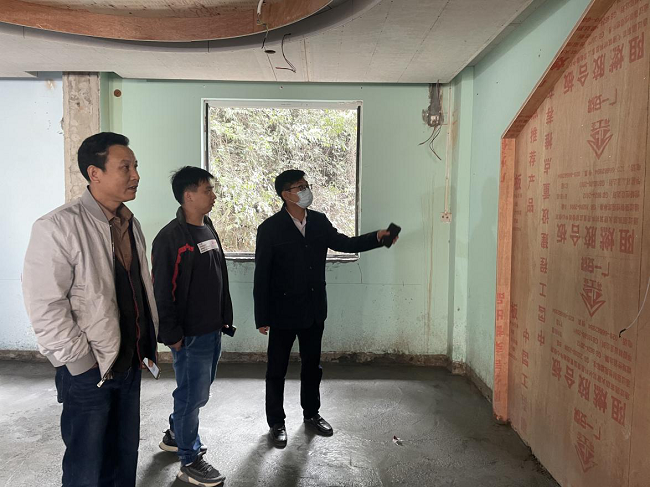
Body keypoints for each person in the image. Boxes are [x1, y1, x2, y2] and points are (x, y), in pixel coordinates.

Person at [22, 132, 159, 487]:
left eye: (136, 166)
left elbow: (135, 291)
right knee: (87, 466)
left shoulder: (130, 224)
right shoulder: (58, 226)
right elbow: (45, 305)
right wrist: (80, 363)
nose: (136, 175)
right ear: (94, 173)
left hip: (128, 364)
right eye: (125, 167)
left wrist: (145, 345)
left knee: (123, 458)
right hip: (89, 371)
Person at [253, 169, 397, 447]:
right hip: (282, 312)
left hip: (313, 309)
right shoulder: (270, 228)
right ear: (285, 194)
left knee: (312, 367)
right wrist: (262, 316)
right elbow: (262, 276)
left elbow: (345, 243)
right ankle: (276, 422)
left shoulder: (318, 221)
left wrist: (377, 237)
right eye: (299, 187)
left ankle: (311, 414)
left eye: (306, 185)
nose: (306, 190)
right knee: (276, 370)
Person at [152, 166, 233, 487]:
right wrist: (172, 335)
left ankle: (176, 434)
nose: (213, 195)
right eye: (207, 190)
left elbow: (216, 275)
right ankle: (189, 460)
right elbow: (162, 291)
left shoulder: (207, 227)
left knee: (197, 392)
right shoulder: (171, 238)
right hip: (189, 336)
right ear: (188, 196)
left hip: (212, 329)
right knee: (192, 395)